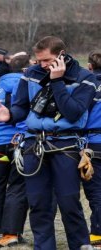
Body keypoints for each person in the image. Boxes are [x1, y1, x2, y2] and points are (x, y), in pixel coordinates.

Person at [0, 36, 96, 249]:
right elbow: (21, 107)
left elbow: (73, 113)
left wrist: (56, 81)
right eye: (39, 61)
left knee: (69, 201)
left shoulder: (85, 78)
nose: (42, 65)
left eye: (47, 60)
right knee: (38, 203)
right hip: (33, 145)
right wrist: (9, 115)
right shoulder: (30, 75)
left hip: (66, 146)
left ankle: (80, 245)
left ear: (61, 55)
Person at [0, 55, 30, 248]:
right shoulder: (30, 87)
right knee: (17, 188)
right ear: (25, 70)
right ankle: (11, 232)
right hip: (22, 144)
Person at [82, 50, 101, 246]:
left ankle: (98, 233)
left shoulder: (88, 86)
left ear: (90, 66)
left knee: (96, 190)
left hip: (94, 143)